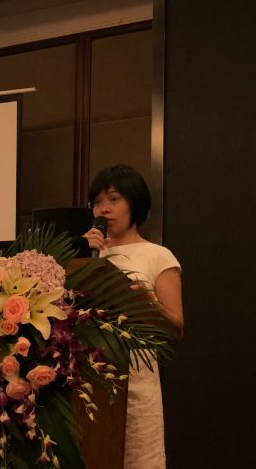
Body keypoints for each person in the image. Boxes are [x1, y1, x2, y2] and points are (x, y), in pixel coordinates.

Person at [83, 164, 183, 469]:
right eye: (98, 202)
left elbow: (176, 329)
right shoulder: (84, 255)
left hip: (136, 380)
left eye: (114, 199)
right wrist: (82, 255)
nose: (104, 209)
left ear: (134, 203)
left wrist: (148, 303)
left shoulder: (157, 255)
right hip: (86, 380)